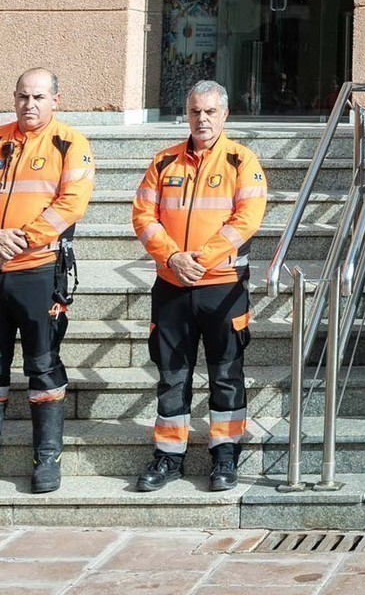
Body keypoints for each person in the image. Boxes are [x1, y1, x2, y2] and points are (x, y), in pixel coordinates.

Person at [0, 68, 95, 495]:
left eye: (39, 97)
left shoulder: (71, 145)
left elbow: (72, 203)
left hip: (38, 270)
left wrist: (22, 240)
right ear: (14, 99)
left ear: (55, 101)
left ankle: (47, 460)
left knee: (43, 364)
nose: (30, 105)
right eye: (23, 97)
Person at [131, 80, 267, 492]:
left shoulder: (242, 161)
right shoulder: (163, 162)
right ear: (186, 114)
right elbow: (143, 216)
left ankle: (225, 455)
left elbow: (247, 219)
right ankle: (168, 457)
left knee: (226, 374)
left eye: (210, 112)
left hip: (222, 288)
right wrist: (173, 257)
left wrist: (200, 259)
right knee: (172, 375)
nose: (202, 119)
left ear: (224, 115)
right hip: (172, 285)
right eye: (195, 112)